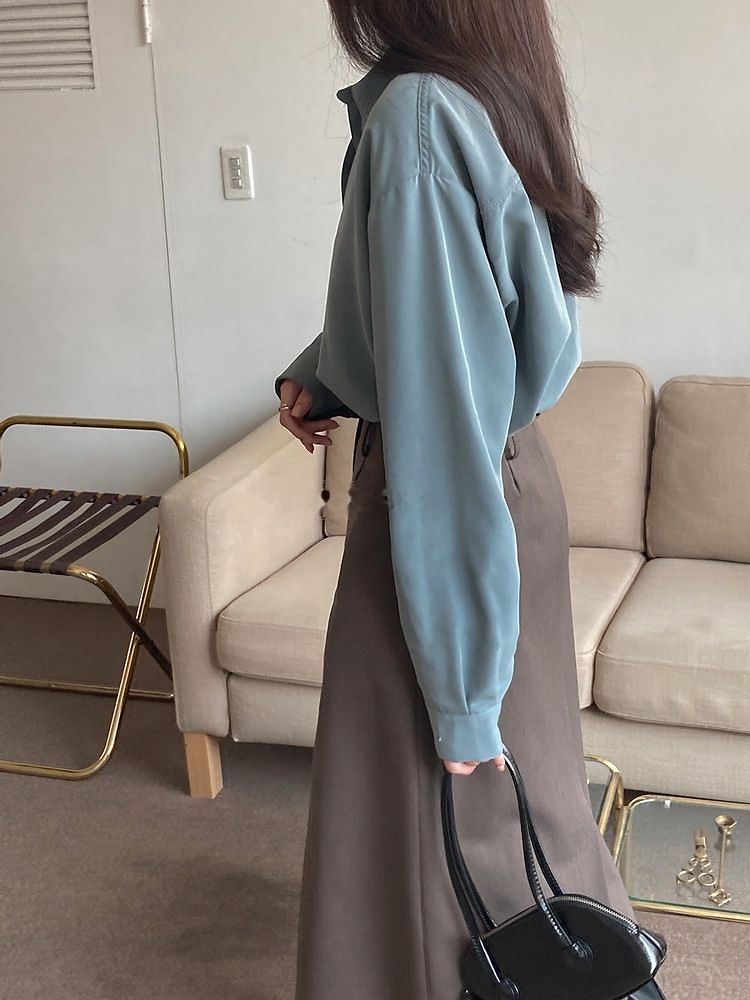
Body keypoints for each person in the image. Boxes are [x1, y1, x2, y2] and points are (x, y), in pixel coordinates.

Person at [275, 3, 666, 998]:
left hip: (448, 492)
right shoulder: (485, 95)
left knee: (464, 826)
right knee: (508, 813)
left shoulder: (416, 116)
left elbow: (445, 416)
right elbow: (462, 315)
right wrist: (324, 371)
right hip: (496, 487)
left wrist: (460, 693)